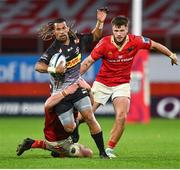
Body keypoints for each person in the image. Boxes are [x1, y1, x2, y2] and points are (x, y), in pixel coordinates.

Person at [80, 16, 178, 158]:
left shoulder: (136, 41)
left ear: (127, 29)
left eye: (121, 30)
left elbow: (155, 44)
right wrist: (75, 78)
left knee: (121, 116)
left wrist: (171, 55)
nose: (119, 33)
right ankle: (66, 137)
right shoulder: (104, 43)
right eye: (116, 30)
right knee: (84, 116)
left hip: (122, 84)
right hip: (102, 83)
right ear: (112, 30)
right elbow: (88, 62)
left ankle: (109, 149)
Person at [34, 8, 109, 158]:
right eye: (58, 29)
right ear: (54, 32)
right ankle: (73, 128)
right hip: (61, 94)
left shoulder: (78, 40)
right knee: (69, 128)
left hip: (77, 88)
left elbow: (96, 36)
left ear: (67, 28)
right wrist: (54, 68)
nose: (61, 31)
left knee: (89, 116)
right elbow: (38, 66)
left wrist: (100, 22)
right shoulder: (53, 49)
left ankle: (103, 153)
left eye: (63, 28)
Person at [16, 83, 93, 158]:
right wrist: (65, 92)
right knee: (88, 153)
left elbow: (88, 112)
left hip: (58, 139)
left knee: (63, 141)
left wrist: (90, 92)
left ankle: (32, 143)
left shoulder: (71, 101)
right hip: (57, 141)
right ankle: (58, 152)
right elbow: (47, 105)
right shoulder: (55, 101)